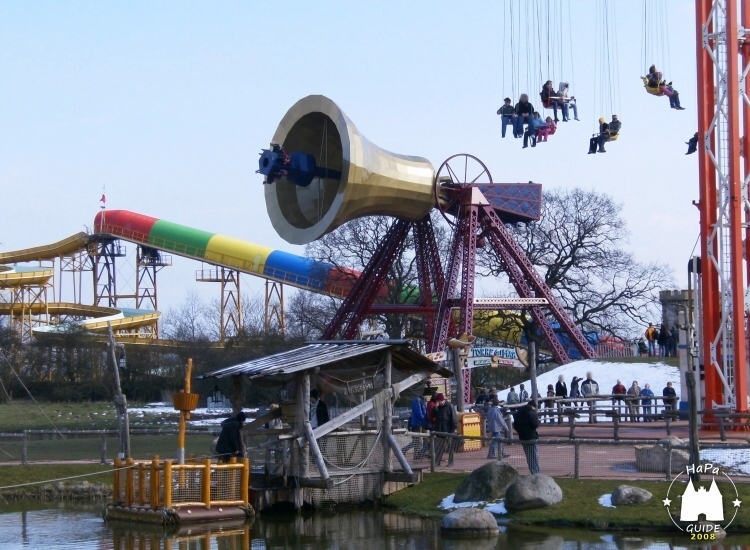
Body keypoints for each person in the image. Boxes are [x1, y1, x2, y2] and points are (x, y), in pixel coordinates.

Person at [513, 402, 541, 474]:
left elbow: (515, 425)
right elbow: (535, 424)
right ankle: (536, 473)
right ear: (533, 406)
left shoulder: (518, 413)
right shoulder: (532, 413)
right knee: (534, 456)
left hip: (522, 436)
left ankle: (533, 471)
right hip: (531, 436)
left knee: (529, 456)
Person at [434, 393, 458, 467]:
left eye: (439, 401)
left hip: (448, 430)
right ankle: (437, 462)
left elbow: (454, 418)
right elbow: (432, 415)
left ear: (442, 400)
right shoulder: (438, 408)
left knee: (450, 447)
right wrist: (435, 408)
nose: (438, 403)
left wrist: (453, 429)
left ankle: (451, 462)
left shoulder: (449, 406)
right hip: (440, 430)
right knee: (439, 447)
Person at [404, 388, 428, 458]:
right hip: (418, 423)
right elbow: (418, 412)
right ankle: (417, 454)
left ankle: (421, 453)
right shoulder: (417, 400)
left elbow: (424, 411)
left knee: (423, 438)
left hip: (421, 422)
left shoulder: (421, 400)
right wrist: (424, 419)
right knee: (417, 440)